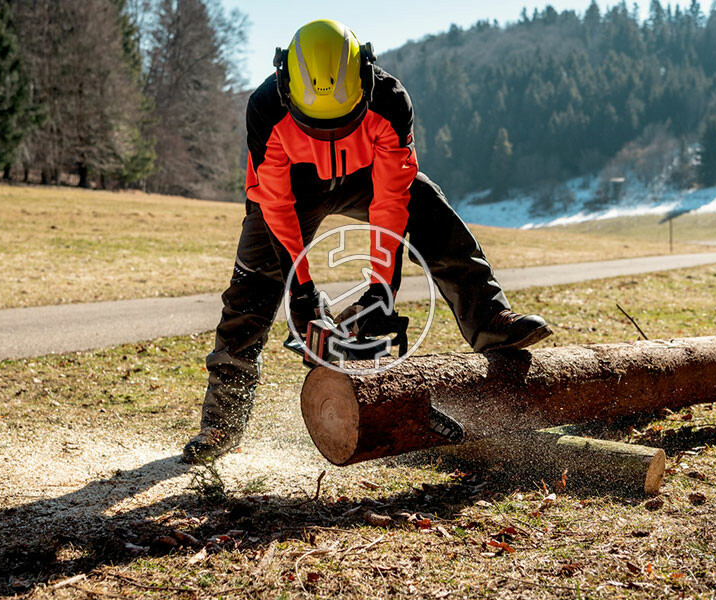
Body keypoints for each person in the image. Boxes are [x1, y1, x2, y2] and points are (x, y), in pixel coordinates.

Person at [182, 19, 552, 464]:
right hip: (294, 190)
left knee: (427, 203)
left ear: (365, 78)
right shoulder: (265, 107)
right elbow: (275, 204)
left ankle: (489, 319)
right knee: (252, 286)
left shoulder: (390, 99)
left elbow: (392, 200)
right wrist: (302, 296)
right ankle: (222, 423)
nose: (331, 134)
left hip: (367, 176)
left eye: (342, 122)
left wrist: (381, 290)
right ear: (286, 85)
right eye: (318, 127)